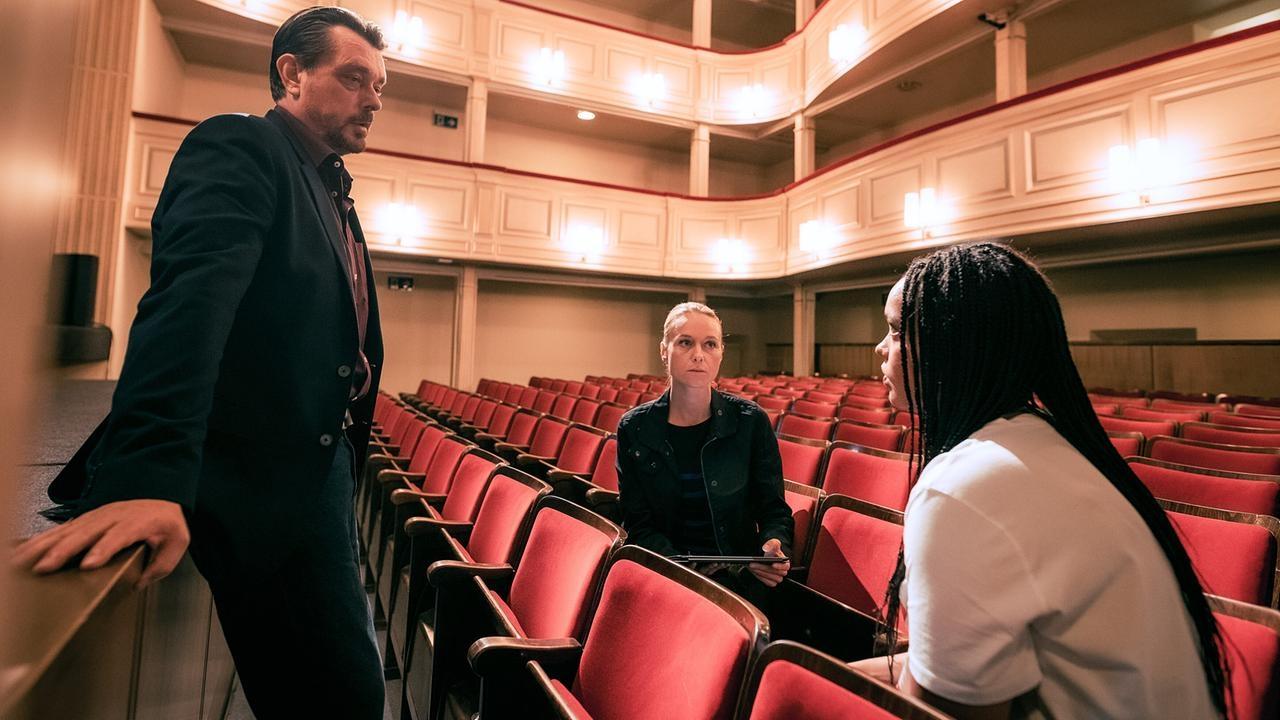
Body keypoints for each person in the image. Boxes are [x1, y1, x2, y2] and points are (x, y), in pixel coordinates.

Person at [13, 7, 390, 718]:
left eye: (379, 86)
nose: (373, 99)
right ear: (292, 74)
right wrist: (145, 479)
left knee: (339, 686)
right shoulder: (243, 146)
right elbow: (188, 308)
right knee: (338, 696)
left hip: (320, 461)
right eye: (354, 78)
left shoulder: (330, 185)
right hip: (265, 473)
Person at [856, 242, 1227, 719]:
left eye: (894, 330)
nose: (880, 347)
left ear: (953, 344)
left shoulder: (963, 488)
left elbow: (949, 712)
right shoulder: (1038, 442)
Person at [615, 302, 793, 598]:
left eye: (710, 344)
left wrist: (774, 545)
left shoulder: (751, 421)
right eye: (685, 342)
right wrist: (684, 573)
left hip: (738, 580)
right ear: (664, 350)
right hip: (668, 578)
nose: (699, 354)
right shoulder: (634, 428)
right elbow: (639, 524)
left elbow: (774, 510)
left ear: (721, 353)